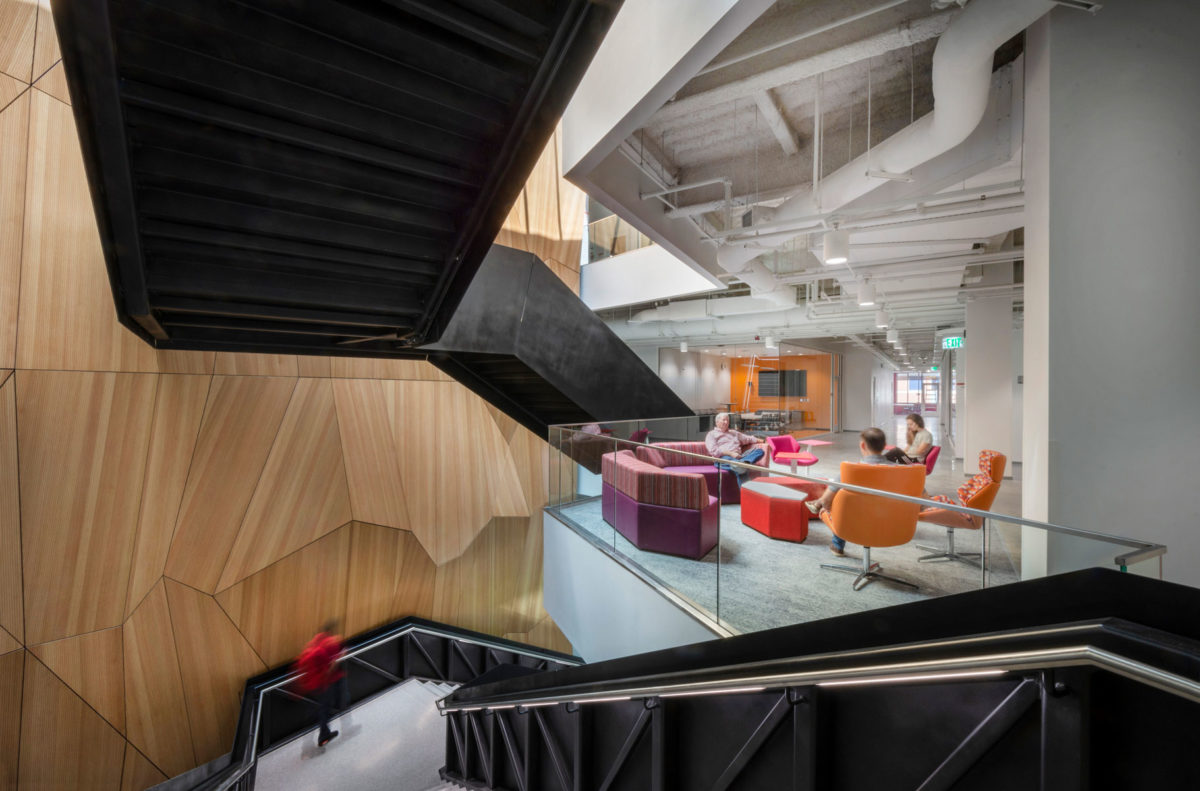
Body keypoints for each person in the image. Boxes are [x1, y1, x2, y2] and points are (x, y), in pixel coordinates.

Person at [804, 427, 896, 556]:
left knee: (839, 502)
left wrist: (825, 502)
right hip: (892, 521)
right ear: (885, 446)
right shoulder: (900, 470)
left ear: (863, 445)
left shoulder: (850, 471)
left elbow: (829, 500)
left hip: (855, 520)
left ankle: (837, 545)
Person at [295, 620, 347, 748]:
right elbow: (329, 668)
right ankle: (323, 736)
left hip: (310, 685)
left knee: (315, 710)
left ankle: (308, 745)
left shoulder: (311, 646)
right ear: (329, 633)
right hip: (321, 684)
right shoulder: (321, 651)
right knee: (324, 709)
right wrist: (340, 656)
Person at [705, 412, 765, 485]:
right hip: (723, 458)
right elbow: (714, 451)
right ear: (717, 422)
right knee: (741, 469)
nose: (726, 422)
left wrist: (763, 441)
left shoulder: (733, 433)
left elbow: (748, 439)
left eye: (728, 420)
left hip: (740, 457)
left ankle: (742, 463)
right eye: (724, 420)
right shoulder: (711, 434)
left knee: (759, 451)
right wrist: (731, 453)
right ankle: (741, 465)